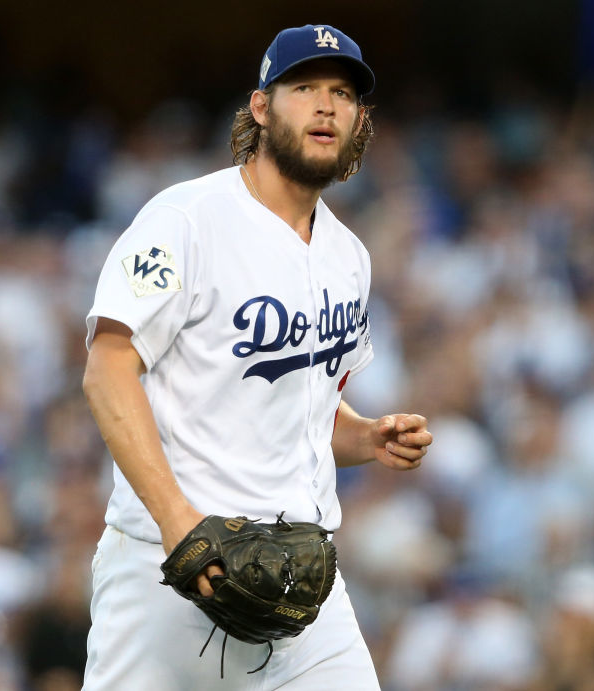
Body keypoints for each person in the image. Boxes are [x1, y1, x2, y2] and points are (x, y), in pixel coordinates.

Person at [81, 24, 432, 689]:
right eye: (304, 88)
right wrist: (177, 521)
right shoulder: (187, 219)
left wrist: (367, 435)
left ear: (360, 121)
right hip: (170, 574)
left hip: (303, 580)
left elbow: (304, 413)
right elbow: (107, 367)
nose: (327, 105)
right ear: (262, 108)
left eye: (343, 93)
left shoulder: (348, 257)